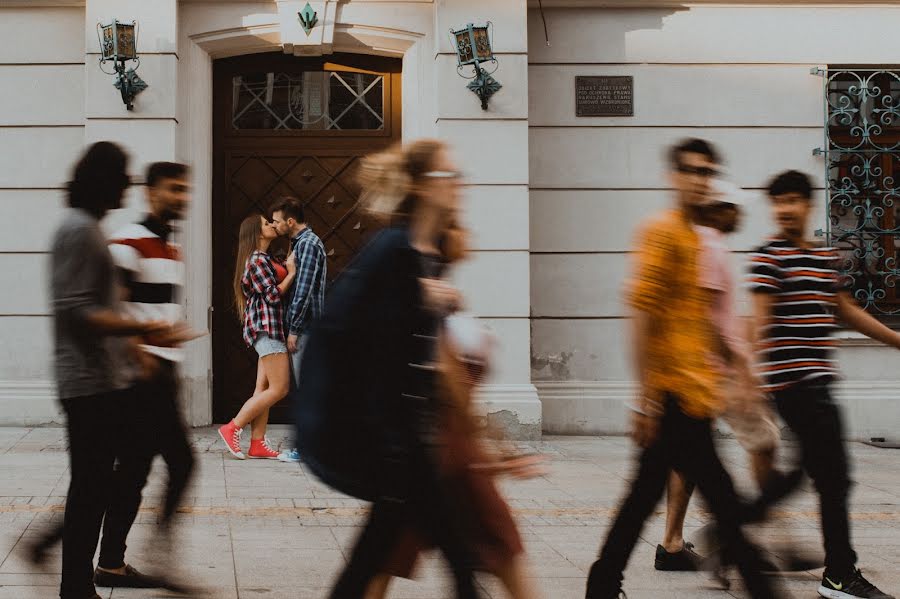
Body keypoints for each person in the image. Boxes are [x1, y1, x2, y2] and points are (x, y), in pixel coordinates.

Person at [584, 139, 778, 599]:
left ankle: (602, 584)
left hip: (695, 393)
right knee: (722, 502)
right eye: (691, 171)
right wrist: (645, 401)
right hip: (672, 398)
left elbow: (697, 318)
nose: (699, 179)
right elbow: (642, 315)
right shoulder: (662, 232)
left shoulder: (696, 238)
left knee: (642, 500)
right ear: (673, 177)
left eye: (706, 172)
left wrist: (736, 362)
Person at [295, 139, 481, 599]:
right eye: (448, 176)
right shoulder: (396, 250)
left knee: (396, 559)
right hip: (391, 439)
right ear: (421, 187)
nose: (458, 184)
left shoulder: (418, 253)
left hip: (400, 439)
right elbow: (374, 349)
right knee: (450, 555)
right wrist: (421, 299)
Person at [365, 223, 545, 599]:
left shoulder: (440, 291)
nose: (469, 231)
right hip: (453, 454)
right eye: (457, 225)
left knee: (381, 562)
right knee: (504, 552)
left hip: (430, 449)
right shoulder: (435, 293)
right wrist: (493, 448)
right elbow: (449, 379)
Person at [748, 170, 900, 599]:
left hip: (820, 383)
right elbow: (758, 326)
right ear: (773, 207)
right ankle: (839, 574)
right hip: (793, 386)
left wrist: (894, 339)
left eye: (794, 200)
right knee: (834, 478)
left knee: (804, 475)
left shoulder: (821, 257)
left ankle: (730, 526)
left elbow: (846, 311)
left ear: (807, 204)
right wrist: (753, 385)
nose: (787, 209)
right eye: (779, 202)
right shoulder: (768, 259)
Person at [48, 142, 176, 599]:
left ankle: (80, 580)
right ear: (104, 179)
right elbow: (79, 312)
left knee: (102, 481)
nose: (129, 184)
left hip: (100, 380)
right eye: (123, 175)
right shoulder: (80, 230)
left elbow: (96, 307)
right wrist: (147, 328)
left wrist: (136, 344)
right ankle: (76, 587)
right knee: (92, 488)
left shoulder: (88, 229)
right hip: (86, 383)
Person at [655, 180, 788, 572]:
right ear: (717, 211)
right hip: (719, 370)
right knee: (765, 441)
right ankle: (748, 532)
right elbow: (707, 316)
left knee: (688, 457)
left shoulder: (698, 243)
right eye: (732, 207)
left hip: (699, 369)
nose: (739, 214)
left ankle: (672, 544)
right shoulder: (710, 247)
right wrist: (742, 368)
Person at [218, 214, 296, 460]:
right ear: (256, 233)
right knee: (280, 388)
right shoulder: (256, 260)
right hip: (267, 328)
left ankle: (257, 443)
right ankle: (233, 427)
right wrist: (292, 273)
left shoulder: (266, 258)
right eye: (266, 223)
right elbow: (272, 296)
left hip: (271, 327)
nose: (272, 224)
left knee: (262, 387)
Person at [271, 197, 327, 463]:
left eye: (277, 221)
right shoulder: (301, 244)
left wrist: (293, 330)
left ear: (290, 221)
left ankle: (305, 449)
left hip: (305, 329)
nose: (275, 225)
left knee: (306, 390)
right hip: (305, 327)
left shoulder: (307, 244)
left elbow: (303, 291)